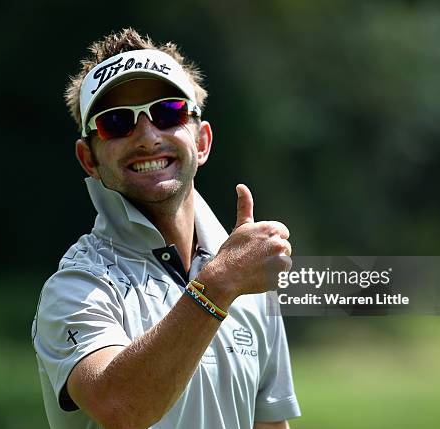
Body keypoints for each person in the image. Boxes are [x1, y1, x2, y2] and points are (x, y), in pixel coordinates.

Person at [32, 28, 301, 429]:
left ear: (203, 140)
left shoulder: (243, 276)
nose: (146, 136)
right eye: (116, 122)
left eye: (168, 112)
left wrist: (225, 278)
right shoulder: (74, 287)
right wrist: (220, 284)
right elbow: (123, 407)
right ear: (88, 158)